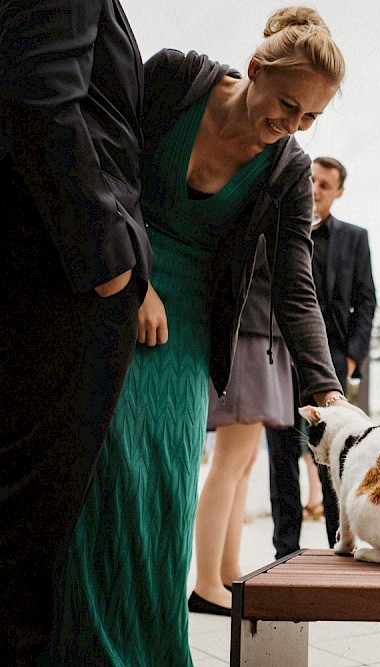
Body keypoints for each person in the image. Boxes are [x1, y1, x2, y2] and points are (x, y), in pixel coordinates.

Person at [42, 7, 352, 664]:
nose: (290, 127)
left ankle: (152, 650)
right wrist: (130, 279)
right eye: (286, 105)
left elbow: (297, 282)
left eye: (310, 119)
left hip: (188, 333)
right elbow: (103, 161)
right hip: (116, 284)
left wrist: (326, 386)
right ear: (255, 69)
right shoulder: (175, 79)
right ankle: (82, 648)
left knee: (166, 486)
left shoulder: (288, 170)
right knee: (104, 477)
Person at [0, 2, 152, 663]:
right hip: (59, 275)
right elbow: (37, 88)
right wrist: (107, 259)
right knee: (28, 524)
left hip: (58, 270)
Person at [268, 155, 377, 557]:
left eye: (324, 185)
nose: (314, 189)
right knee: (280, 455)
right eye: (311, 180)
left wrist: (350, 360)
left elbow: (367, 302)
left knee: (337, 456)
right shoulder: (282, 229)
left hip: (331, 364)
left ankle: (339, 541)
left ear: (339, 192)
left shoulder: (355, 237)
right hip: (279, 359)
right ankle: (285, 550)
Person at [190, 237, 301, 616]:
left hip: (261, 335)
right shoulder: (263, 206)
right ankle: (206, 583)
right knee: (230, 464)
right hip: (249, 335)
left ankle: (225, 571)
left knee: (242, 464)